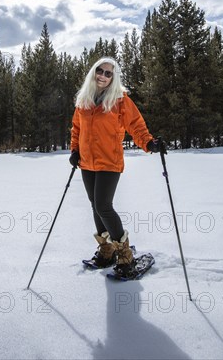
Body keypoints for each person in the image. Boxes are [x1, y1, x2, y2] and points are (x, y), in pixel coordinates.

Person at [69, 57, 162, 277]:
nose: (102, 75)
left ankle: (125, 256)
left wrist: (148, 143)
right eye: (99, 71)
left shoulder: (119, 100)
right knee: (94, 205)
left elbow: (135, 124)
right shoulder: (84, 99)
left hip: (109, 161)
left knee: (103, 206)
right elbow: (76, 128)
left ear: (114, 77)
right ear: (94, 72)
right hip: (87, 162)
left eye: (108, 73)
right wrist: (74, 150)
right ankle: (107, 251)